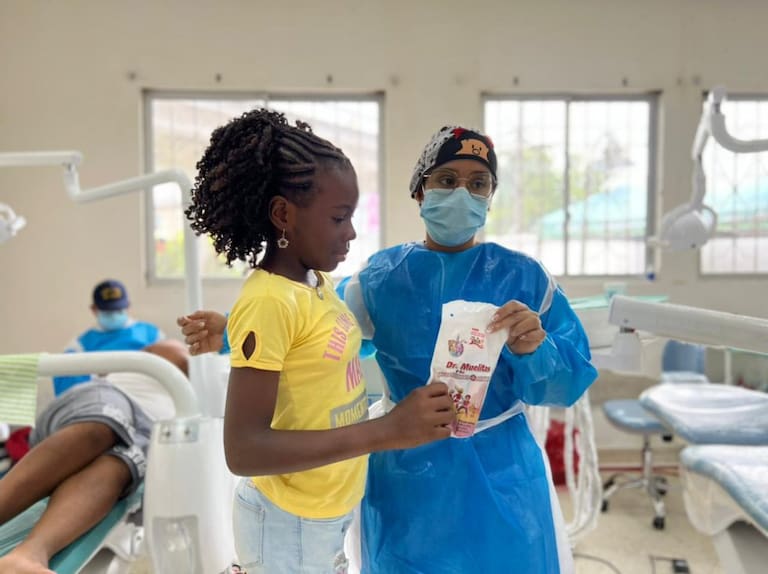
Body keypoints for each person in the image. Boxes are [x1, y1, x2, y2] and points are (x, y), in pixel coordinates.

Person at [180, 125, 599, 574]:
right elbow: (318, 333)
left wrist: (536, 348)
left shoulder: (526, 279)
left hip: (503, 478)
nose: (462, 194)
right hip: (406, 473)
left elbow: (567, 382)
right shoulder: (380, 279)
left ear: (491, 196)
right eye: (447, 180)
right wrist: (231, 332)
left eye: (478, 183)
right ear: (420, 191)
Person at [183, 109, 454, 574]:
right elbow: (243, 449)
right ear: (283, 215)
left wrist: (228, 332)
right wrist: (387, 430)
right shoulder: (269, 300)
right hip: (288, 522)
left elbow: (308, 350)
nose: (351, 232)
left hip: (320, 511)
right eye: (338, 217)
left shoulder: (315, 283)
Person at [0, 340, 187, 574]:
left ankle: (27, 555)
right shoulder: (173, 351)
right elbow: (178, 358)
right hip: (113, 397)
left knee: (121, 465)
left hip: (152, 430)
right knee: (103, 426)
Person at [52, 279, 164, 396]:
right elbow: (67, 389)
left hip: (146, 392)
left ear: (128, 306)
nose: (114, 316)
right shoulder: (80, 346)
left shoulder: (153, 335)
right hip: (105, 395)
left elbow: (167, 371)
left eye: (118, 310)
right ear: (94, 309)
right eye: (107, 312)